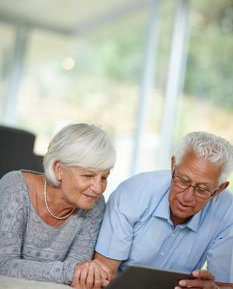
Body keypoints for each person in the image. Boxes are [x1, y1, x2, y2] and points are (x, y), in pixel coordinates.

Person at [72, 131, 233, 289]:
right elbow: (104, 272)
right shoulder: (133, 193)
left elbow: (225, 285)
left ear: (219, 189)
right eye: (183, 180)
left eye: (202, 189)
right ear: (173, 165)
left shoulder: (228, 212)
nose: (187, 197)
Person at [0, 123, 116, 286]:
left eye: (104, 177)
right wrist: (71, 272)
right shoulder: (15, 189)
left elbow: (77, 276)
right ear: (58, 169)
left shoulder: (94, 204)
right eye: (88, 175)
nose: (98, 188)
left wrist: (83, 273)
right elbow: (3, 265)